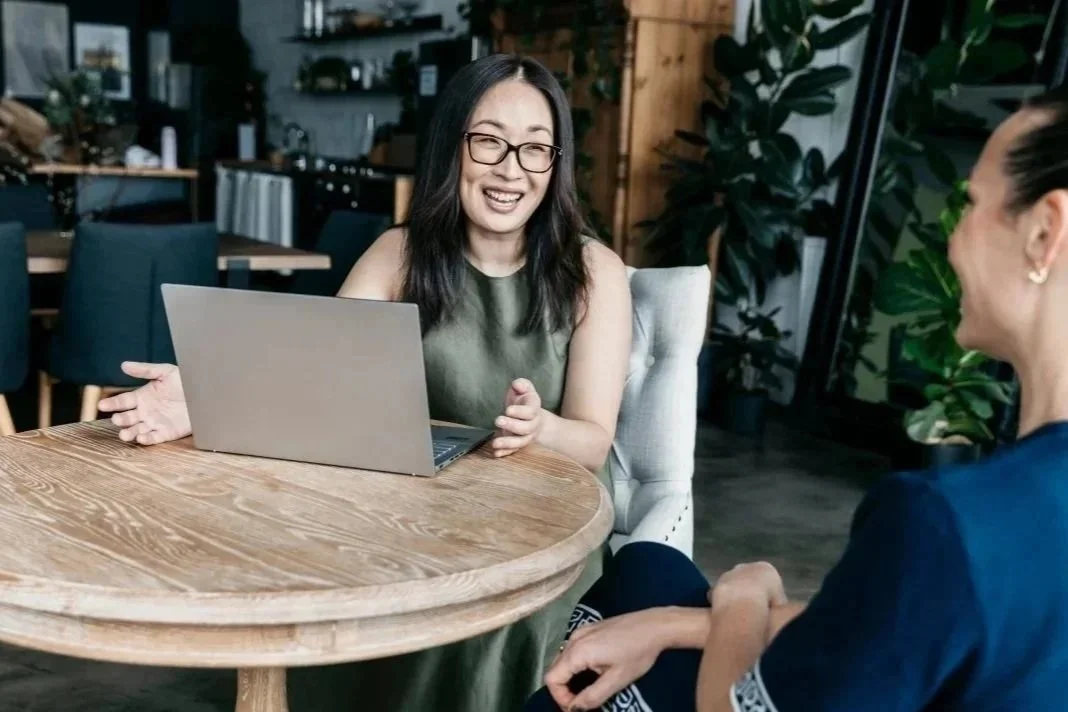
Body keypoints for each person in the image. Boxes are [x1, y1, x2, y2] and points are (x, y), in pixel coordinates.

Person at [99, 53, 632, 710]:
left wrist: (542, 428)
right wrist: (205, 398)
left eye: (534, 149)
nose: (510, 169)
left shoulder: (593, 272)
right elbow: (319, 371)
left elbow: (594, 441)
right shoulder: (401, 253)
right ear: (453, 149)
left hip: (544, 529)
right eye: (489, 141)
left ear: (556, 165)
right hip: (428, 507)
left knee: (474, 611)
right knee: (357, 583)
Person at [527, 85, 1068, 712]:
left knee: (575, 690)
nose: (953, 241)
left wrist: (744, 597)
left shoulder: (948, 525)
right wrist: (678, 625)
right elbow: (896, 624)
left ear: (1043, 235)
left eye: (971, 205)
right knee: (648, 571)